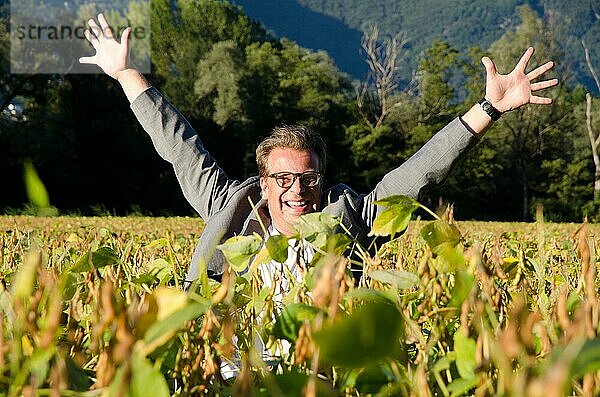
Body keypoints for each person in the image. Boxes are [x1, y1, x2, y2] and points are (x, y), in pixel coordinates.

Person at [80, 14, 558, 288]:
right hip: (233, 367)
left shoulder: (351, 217)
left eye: (308, 178)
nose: (296, 190)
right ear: (263, 182)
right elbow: (179, 147)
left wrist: (488, 109)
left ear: (322, 179)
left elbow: (419, 175)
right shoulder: (231, 207)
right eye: (283, 179)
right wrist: (127, 75)